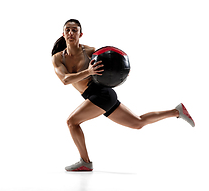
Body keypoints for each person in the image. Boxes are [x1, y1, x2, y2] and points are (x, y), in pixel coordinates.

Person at [51, 19, 195, 171]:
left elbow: (112, 61)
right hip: (95, 97)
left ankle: (85, 162)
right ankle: (177, 111)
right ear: (63, 34)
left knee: (72, 122)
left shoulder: (89, 51)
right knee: (137, 123)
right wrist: (88, 72)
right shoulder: (59, 58)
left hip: (102, 94)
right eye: (67, 30)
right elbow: (65, 80)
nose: (71, 33)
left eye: (74, 30)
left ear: (80, 34)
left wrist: (122, 71)